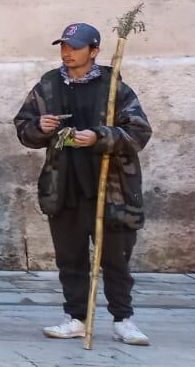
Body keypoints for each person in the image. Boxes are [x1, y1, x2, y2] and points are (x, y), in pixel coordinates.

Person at [14, 21, 153, 346]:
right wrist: (40, 126)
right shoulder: (48, 85)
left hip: (112, 190)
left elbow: (139, 131)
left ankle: (123, 319)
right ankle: (75, 317)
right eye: (63, 47)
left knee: (116, 258)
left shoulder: (114, 86)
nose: (67, 53)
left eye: (74, 47)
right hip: (64, 187)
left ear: (94, 51)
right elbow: (23, 129)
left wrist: (100, 137)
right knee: (70, 257)